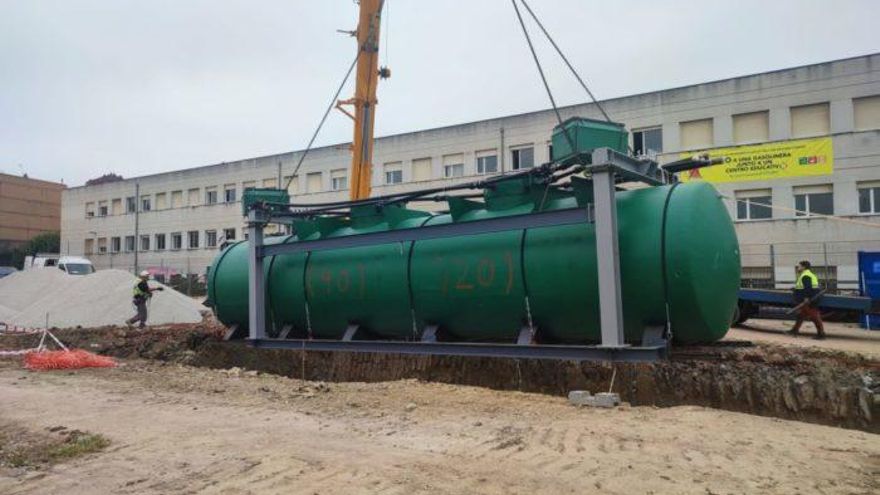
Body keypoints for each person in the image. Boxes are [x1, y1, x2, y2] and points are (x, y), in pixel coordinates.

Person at [787, 260, 826, 340]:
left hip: (809, 299)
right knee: (801, 315)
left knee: (814, 316)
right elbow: (804, 286)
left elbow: (807, 288)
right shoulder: (808, 274)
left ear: (803, 267)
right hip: (810, 298)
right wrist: (795, 289)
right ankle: (794, 330)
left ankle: (821, 334)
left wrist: (806, 298)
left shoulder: (805, 275)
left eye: (799, 266)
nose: (798, 268)